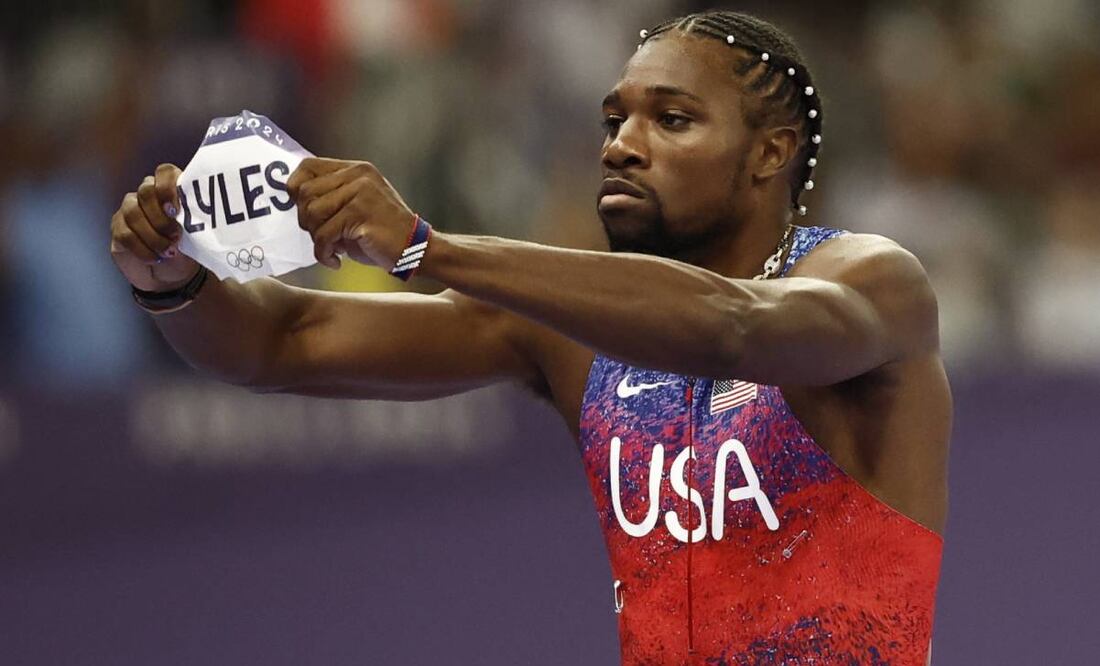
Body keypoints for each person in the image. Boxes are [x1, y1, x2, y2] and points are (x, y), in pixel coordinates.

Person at [109, 10, 948, 665]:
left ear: (770, 154)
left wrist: (424, 247)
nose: (623, 145)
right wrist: (172, 279)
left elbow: (732, 328)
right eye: (614, 118)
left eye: (673, 120)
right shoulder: (571, 328)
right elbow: (283, 340)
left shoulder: (874, 282)